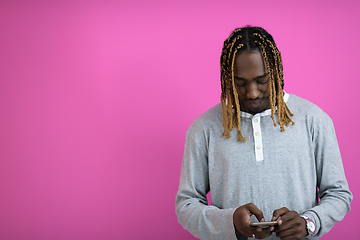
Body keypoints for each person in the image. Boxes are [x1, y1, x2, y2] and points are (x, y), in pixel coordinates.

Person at [175, 26, 352, 240]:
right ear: (228, 79)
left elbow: (339, 194)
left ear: (276, 72)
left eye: (262, 80)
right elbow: (186, 205)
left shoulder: (314, 120)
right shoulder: (204, 128)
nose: (252, 92)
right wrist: (230, 222)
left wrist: (309, 223)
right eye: (240, 83)